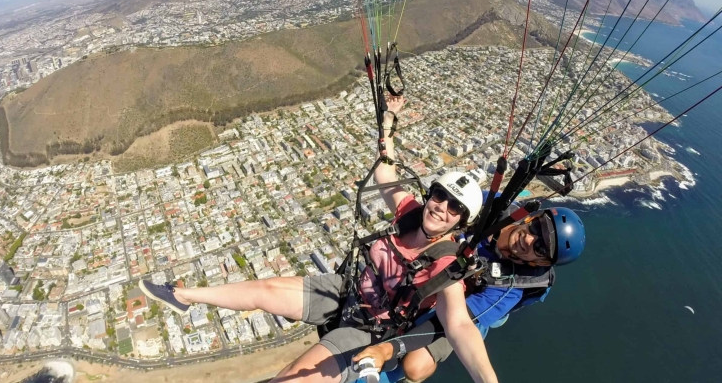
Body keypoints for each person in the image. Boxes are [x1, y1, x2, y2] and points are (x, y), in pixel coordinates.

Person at [137, 95, 499, 383]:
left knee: (291, 379)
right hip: (345, 290)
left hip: (368, 329)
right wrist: (388, 123)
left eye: (454, 208)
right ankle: (183, 296)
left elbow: (460, 328)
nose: (442, 208)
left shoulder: (445, 261)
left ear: (460, 221)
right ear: (430, 193)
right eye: (440, 196)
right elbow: (385, 169)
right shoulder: (408, 213)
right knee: (264, 292)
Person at [352, 204, 586, 382]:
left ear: (541, 263)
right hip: (442, 275)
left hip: (470, 306)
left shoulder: (511, 286)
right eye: (536, 228)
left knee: (415, 366)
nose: (529, 239)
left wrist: (390, 347)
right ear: (531, 217)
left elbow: (458, 324)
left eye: (540, 248)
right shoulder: (493, 209)